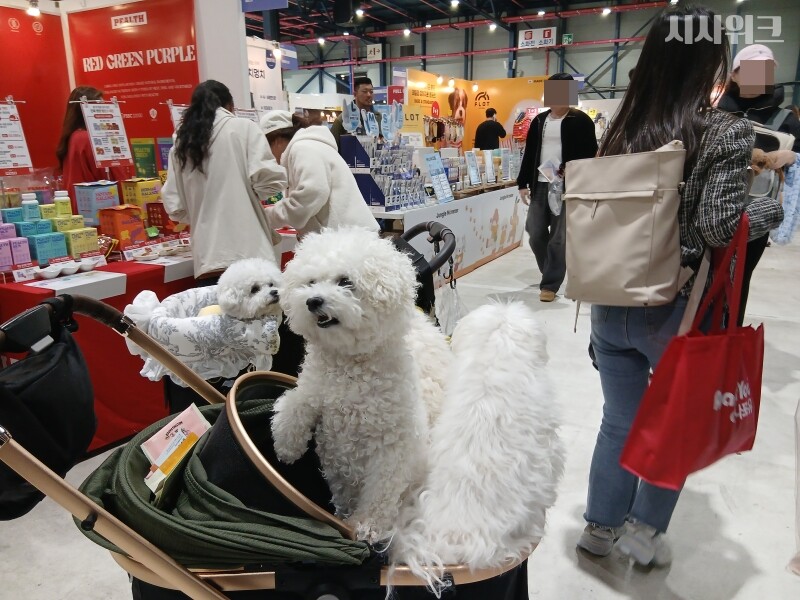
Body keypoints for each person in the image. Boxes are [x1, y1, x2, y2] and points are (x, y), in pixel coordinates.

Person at [577, 5, 785, 567]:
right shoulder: (725, 130)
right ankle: (643, 535)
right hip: (675, 306)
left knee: (618, 419)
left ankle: (598, 528)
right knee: (674, 421)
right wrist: (770, 205)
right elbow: (718, 227)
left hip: (610, 298)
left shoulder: (623, 128)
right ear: (712, 60)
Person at [161, 80, 286, 283]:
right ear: (230, 106)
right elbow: (271, 182)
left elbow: (175, 206)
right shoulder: (244, 128)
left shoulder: (181, 145)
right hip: (251, 254)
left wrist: (200, 214)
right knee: (260, 303)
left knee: (214, 303)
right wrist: (249, 193)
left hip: (207, 257)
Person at [717, 44, 798, 324]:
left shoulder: (785, 119)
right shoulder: (716, 112)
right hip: (714, 205)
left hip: (756, 212)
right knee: (704, 276)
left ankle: (729, 336)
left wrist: (791, 156)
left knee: (739, 279)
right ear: (734, 75)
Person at [517, 73, 598, 302]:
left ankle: (550, 284)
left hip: (567, 186)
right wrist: (522, 183)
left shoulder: (581, 121)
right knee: (534, 232)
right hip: (541, 184)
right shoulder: (539, 121)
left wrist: (568, 170)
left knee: (559, 237)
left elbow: (590, 154)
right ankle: (551, 271)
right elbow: (529, 154)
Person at [260, 110, 379, 238]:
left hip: (347, 240)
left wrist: (267, 217)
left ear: (277, 140)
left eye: (266, 149)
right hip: (349, 237)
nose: (269, 156)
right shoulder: (309, 146)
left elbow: (312, 192)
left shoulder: (302, 148)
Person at [55, 86, 131, 213]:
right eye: (100, 107)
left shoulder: (74, 137)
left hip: (81, 208)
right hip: (99, 210)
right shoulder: (88, 139)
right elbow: (117, 181)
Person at [330, 77, 381, 149]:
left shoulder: (378, 117)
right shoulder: (344, 119)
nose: (369, 95)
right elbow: (332, 146)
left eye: (371, 92)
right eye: (364, 91)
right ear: (355, 94)